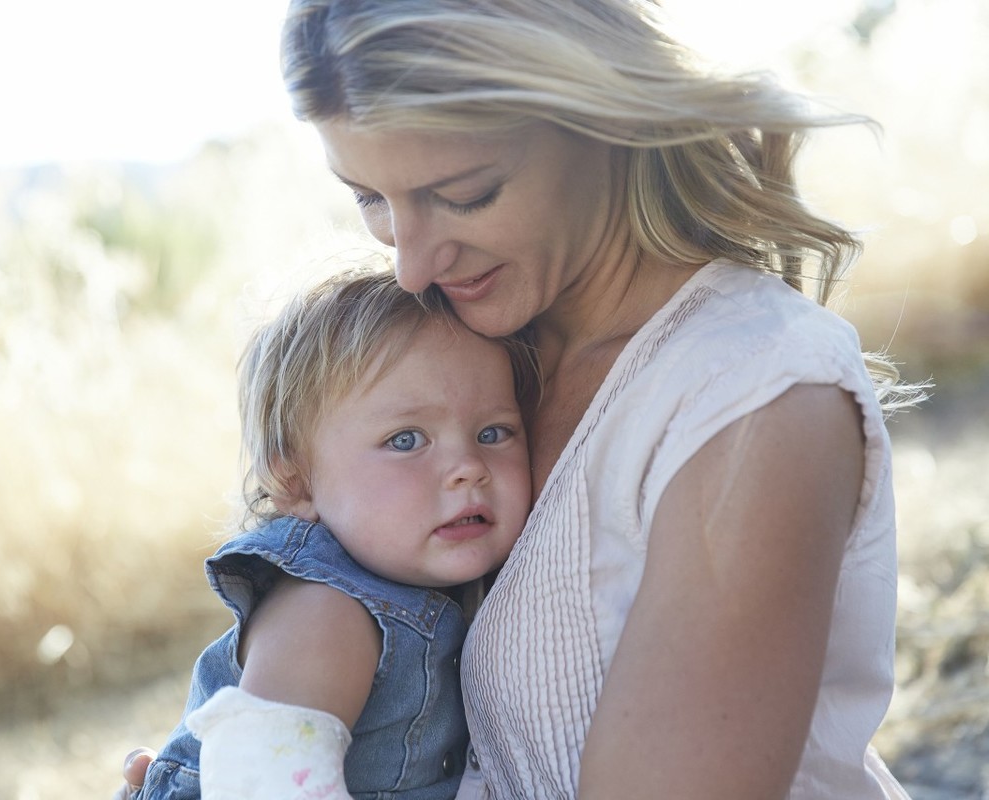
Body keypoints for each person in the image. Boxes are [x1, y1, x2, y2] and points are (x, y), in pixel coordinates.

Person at [122, 0, 925, 797]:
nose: (410, 261)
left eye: (464, 193)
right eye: (368, 196)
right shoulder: (466, 359)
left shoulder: (753, 393)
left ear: (596, 116)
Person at [135, 267, 538, 798]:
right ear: (297, 482)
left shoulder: (431, 587)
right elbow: (264, 785)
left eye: (493, 432)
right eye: (406, 440)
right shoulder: (324, 610)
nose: (467, 466)